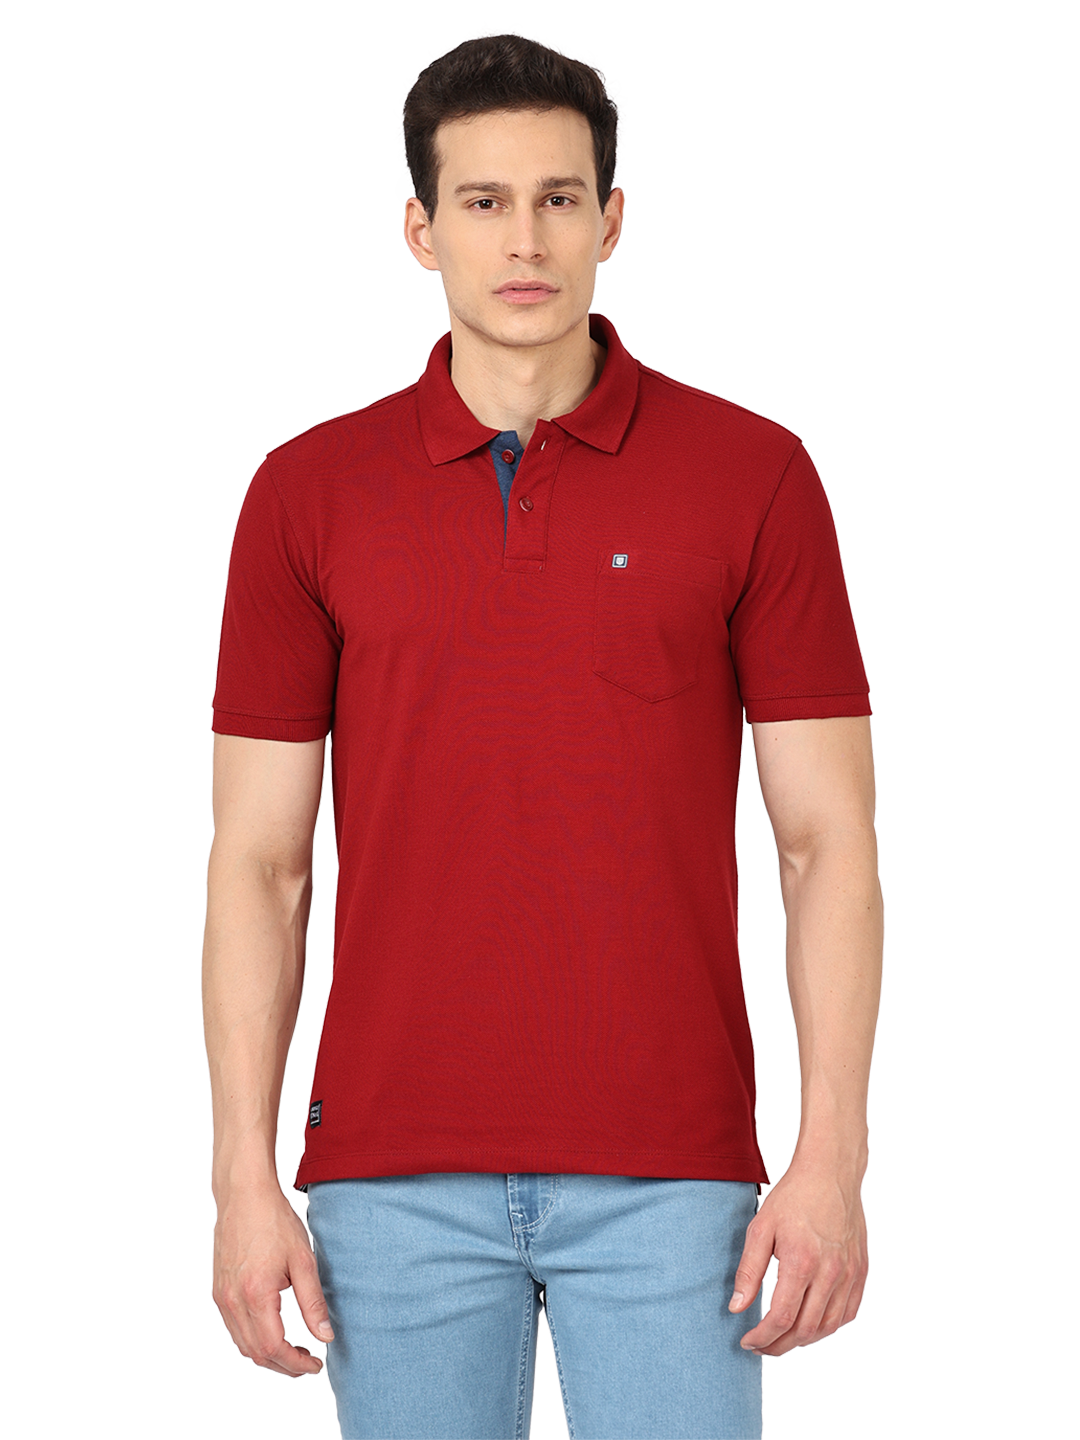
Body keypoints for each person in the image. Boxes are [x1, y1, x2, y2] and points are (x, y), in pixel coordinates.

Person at [202, 31, 883, 1440]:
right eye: (485, 201)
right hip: (388, 1175)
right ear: (422, 228)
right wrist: (240, 1180)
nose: (526, 239)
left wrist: (830, 1158)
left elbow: (826, 841)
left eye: (560, 198)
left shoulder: (753, 476)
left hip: (676, 1174)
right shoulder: (307, 495)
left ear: (611, 219)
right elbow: (260, 863)